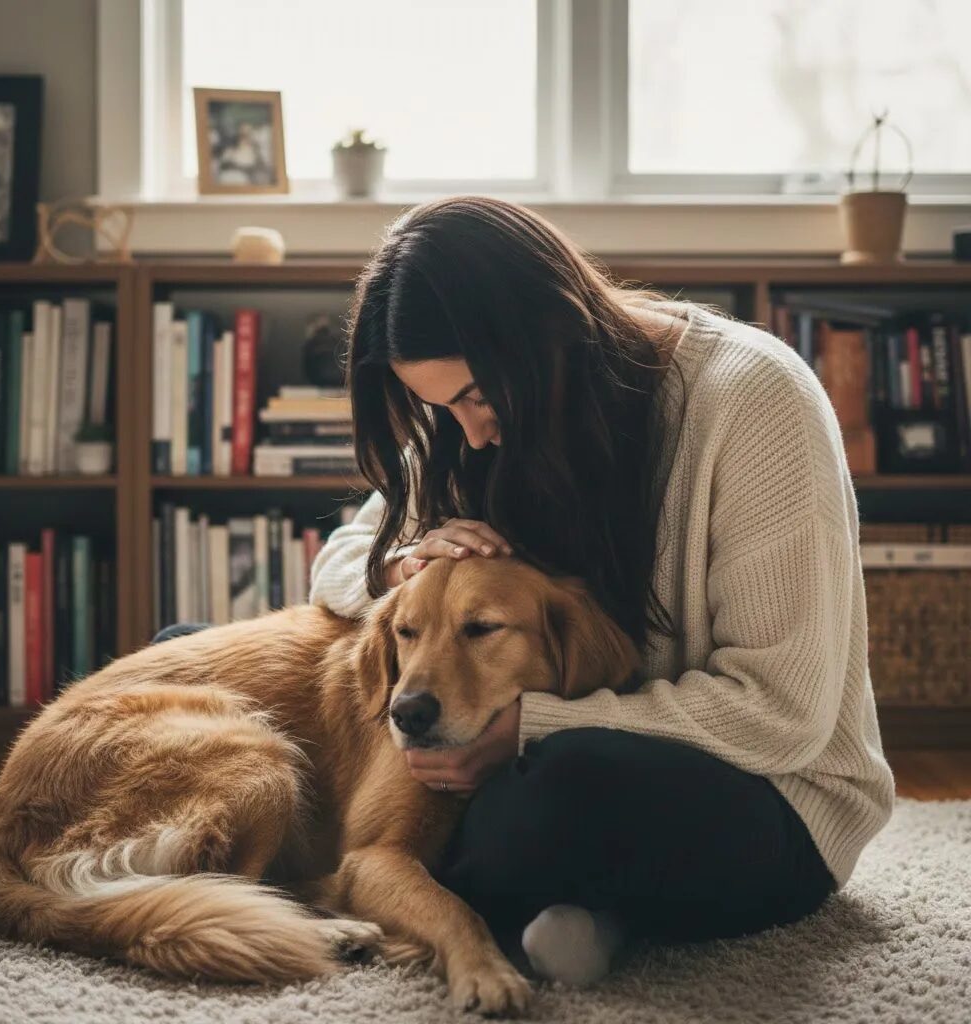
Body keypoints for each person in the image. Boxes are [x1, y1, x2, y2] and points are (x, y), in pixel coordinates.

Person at [158, 194, 895, 986]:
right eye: (441, 408)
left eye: (475, 396)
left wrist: (527, 727)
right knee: (194, 663)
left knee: (544, 798)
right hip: (531, 741)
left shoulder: (754, 401)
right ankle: (568, 917)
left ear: (549, 335)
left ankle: (512, 903)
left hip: (761, 790)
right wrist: (408, 563)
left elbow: (781, 713)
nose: (470, 431)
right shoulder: (471, 426)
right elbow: (341, 564)